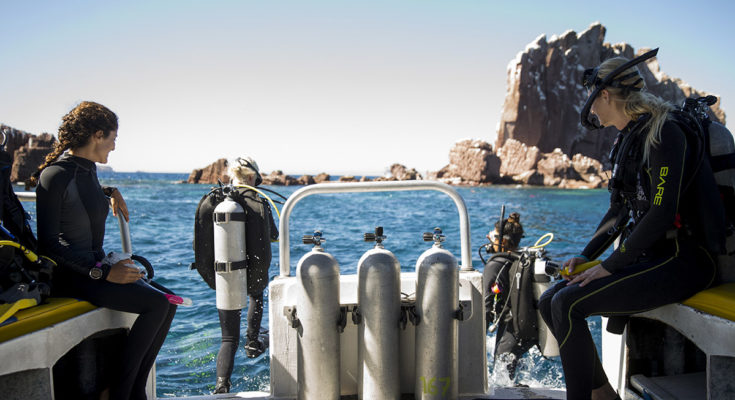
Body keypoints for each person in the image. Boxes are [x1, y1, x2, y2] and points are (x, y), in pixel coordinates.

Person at [537, 51, 726, 400]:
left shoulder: (665, 133)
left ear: (605, 95)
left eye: (593, 100)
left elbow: (661, 213)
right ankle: (604, 394)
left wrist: (609, 266)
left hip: (684, 261)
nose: (591, 109)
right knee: (550, 299)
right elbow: (618, 212)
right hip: (650, 258)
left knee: (568, 304)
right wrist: (586, 256)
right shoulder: (629, 138)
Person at [32, 101, 177, 400]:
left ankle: (132, 388)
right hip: (72, 274)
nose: (113, 147)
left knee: (169, 300)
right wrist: (103, 272)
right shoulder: (54, 175)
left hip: (93, 267)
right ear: (98, 135)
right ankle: (120, 393)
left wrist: (109, 192)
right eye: (112, 139)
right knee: (157, 305)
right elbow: (46, 244)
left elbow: (81, 199)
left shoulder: (88, 172)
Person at [210, 156, 278, 394]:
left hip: (224, 274)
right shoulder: (258, 201)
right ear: (251, 178)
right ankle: (252, 341)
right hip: (252, 274)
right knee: (256, 295)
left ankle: (221, 385)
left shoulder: (218, 199)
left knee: (228, 339)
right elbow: (273, 236)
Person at [482, 212, 535, 385]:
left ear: (503, 241)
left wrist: (476, 336)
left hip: (513, 327)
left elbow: (487, 307)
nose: (488, 237)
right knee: (509, 375)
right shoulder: (520, 259)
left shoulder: (495, 264)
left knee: (502, 378)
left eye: (493, 236)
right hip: (528, 325)